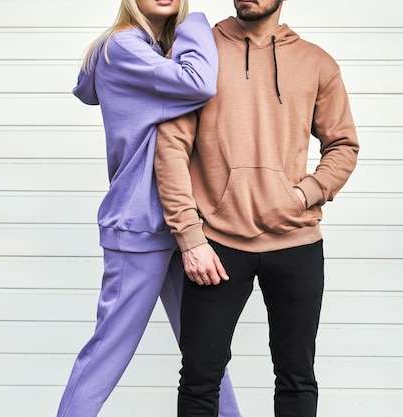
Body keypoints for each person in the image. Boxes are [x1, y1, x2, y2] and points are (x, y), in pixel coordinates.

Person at [154, 0, 360, 415]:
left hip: (296, 244)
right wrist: (190, 237)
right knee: (199, 379)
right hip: (216, 245)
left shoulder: (316, 62)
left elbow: (343, 145)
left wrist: (304, 194)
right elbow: (170, 147)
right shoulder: (200, 50)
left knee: (297, 378)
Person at [56, 1, 242, 416]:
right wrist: (195, 24)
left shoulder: (156, 51)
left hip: (180, 224)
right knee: (108, 351)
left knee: (205, 351)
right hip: (139, 225)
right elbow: (199, 84)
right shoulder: (122, 48)